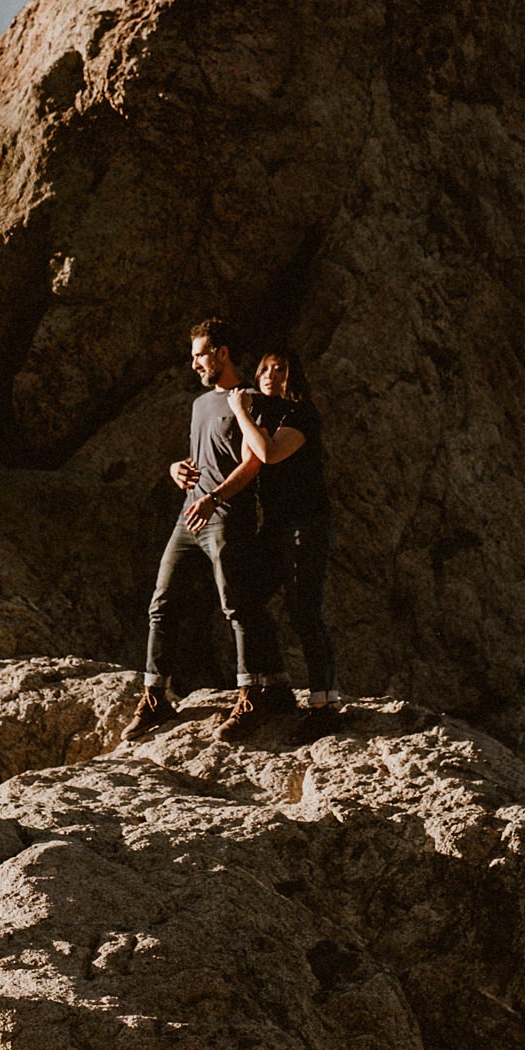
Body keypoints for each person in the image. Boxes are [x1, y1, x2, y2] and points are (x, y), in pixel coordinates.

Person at [126, 317, 294, 739]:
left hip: (226, 516)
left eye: (200, 355)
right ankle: (155, 697)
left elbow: (253, 463)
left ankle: (253, 695)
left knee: (237, 606)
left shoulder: (251, 400)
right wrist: (174, 468)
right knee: (161, 603)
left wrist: (216, 497)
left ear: (222, 353)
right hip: (189, 515)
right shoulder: (201, 404)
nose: (195, 364)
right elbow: (202, 454)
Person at [230, 347, 338, 717]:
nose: (270, 375)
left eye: (280, 369)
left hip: (306, 524)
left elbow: (269, 453)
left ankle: (324, 701)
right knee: (246, 596)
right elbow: (247, 460)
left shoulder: (301, 414)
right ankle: (273, 684)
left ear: (293, 376)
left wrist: (241, 412)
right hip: (275, 526)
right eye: (265, 368)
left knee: (303, 610)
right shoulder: (264, 413)